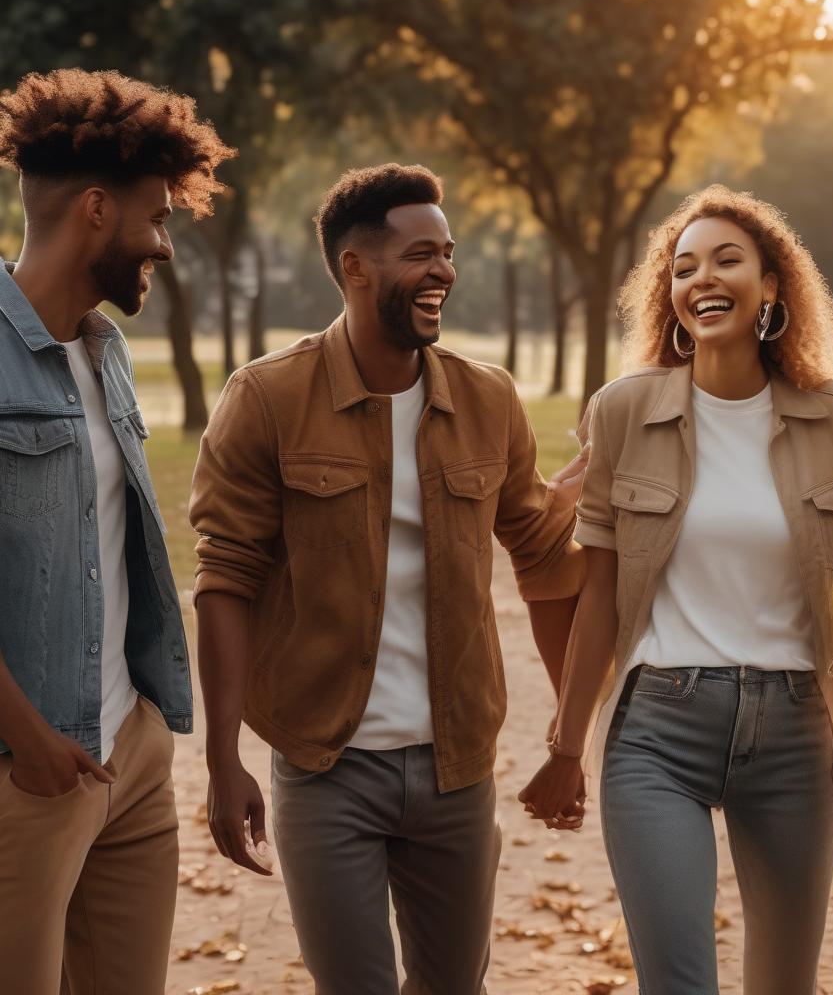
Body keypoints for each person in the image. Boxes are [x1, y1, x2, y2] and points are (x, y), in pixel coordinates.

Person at [189, 163, 587, 994]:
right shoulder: (267, 398)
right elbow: (224, 578)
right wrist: (223, 759)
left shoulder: (488, 399)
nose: (443, 270)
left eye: (448, 252)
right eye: (420, 254)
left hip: (457, 766)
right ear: (355, 267)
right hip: (326, 767)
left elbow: (543, 551)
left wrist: (568, 735)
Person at [520, 185, 833, 995]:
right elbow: (600, 598)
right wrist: (566, 747)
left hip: (795, 735)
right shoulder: (624, 411)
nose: (702, 279)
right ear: (671, 294)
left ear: (772, 284)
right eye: (684, 268)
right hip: (659, 729)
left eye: (726, 260)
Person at [0, 68, 233, 994]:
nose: (165, 245)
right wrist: (27, 740)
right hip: (27, 767)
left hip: (128, 756)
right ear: (96, 209)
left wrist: (143, 731)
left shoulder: (108, 349)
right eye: (158, 218)